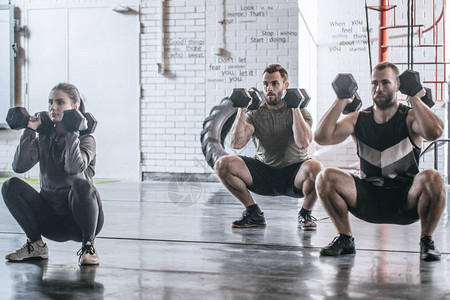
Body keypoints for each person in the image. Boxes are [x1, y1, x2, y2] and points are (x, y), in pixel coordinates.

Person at [314, 62, 445, 261]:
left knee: (433, 177)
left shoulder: (409, 117)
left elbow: (434, 132)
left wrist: (414, 98)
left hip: (405, 199)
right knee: (325, 177)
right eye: (374, 83)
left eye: (385, 83)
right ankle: (345, 238)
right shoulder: (358, 118)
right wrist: (341, 100)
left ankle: (426, 241)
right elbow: (322, 138)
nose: (379, 88)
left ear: (397, 86)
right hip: (368, 198)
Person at [2, 83, 104, 265]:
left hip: (80, 221)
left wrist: (73, 131)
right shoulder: (45, 136)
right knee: (10, 185)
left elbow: (74, 168)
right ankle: (36, 245)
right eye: (50, 102)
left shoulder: (87, 139)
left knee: (82, 185)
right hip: (50, 220)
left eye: (59, 102)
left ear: (75, 106)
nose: (52, 107)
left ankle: (89, 246)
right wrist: (30, 129)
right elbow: (19, 166)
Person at [215, 64, 323, 230]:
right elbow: (236, 144)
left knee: (316, 168)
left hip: (293, 174)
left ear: (285, 86)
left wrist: (295, 108)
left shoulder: (301, 112)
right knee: (222, 164)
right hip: (264, 172)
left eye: (274, 84)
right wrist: (242, 109)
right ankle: (253, 212)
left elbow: (303, 143)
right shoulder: (256, 114)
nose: (269, 88)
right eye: (265, 84)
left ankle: (305, 214)